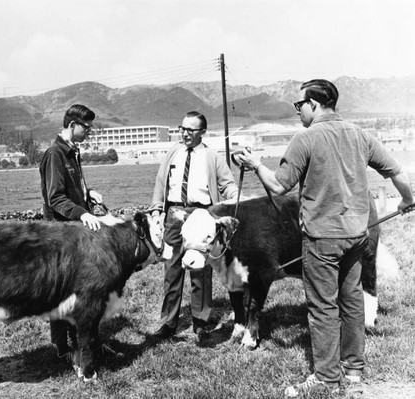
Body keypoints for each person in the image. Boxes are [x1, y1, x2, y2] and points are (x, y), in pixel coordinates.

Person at [233, 79, 414, 397]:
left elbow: (278, 187)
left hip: (321, 239)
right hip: (357, 235)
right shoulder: (361, 135)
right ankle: (353, 369)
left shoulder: (305, 139)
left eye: (298, 105)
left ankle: (327, 378)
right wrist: (407, 200)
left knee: (322, 308)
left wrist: (254, 164)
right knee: (352, 300)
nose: (298, 112)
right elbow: (396, 172)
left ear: (314, 105)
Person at [149, 111, 240, 341]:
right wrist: (158, 208)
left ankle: (200, 322)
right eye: (182, 128)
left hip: (202, 214)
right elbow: (161, 183)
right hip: (174, 214)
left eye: (191, 130)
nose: (185, 133)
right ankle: (168, 323)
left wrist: (237, 197)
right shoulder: (173, 153)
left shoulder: (213, 157)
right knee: (172, 269)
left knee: (200, 269)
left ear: (202, 132)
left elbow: (227, 184)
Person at [39, 103, 104, 359]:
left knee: (76, 291)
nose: (89, 132)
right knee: (61, 292)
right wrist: (83, 213)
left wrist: (89, 194)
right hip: (60, 235)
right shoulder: (55, 154)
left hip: (73, 231)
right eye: (86, 127)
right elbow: (55, 198)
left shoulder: (72, 152)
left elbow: (71, 189)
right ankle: (62, 348)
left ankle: (78, 342)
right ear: (72, 125)